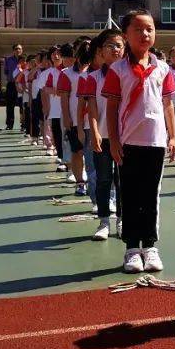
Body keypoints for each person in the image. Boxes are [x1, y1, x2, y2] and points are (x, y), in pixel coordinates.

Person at [102, 10, 175, 274]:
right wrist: (113, 141)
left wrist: (173, 135)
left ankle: (151, 246)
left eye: (150, 29)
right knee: (131, 195)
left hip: (156, 142)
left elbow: (168, 103)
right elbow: (111, 107)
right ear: (126, 35)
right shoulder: (118, 69)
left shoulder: (163, 68)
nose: (145, 34)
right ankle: (132, 249)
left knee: (151, 196)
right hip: (129, 142)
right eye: (138, 29)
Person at [82, 30, 124, 240]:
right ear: (100, 52)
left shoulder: (129, 74)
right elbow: (92, 108)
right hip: (104, 137)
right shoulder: (93, 78)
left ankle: (122, 220)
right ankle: (104, 221)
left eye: (119, 45)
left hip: (126, 138)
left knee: (123, 180)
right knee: (104, 179)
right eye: (110, 45)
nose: (115, 49)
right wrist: (95, 132)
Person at [59, 42, 89, 197]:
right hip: (75, 121)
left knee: (93, 155)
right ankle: (80, 183)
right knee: (77, 152)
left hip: (94, 121)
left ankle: (94, 183)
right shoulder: (66, 73)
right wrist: (67, 118)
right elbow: (64, 98)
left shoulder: (97, 71)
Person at [3, 44, 24, 131]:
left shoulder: (25, 60)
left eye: (19, 49)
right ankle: (9, 124)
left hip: (22, 85)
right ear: (13, 50)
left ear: (22, 50)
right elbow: (6, 71)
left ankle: (23, 124)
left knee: (23, 105)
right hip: (11, 84)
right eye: (16, 49)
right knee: (10, 106)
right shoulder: (8, 60)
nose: (18, 50)